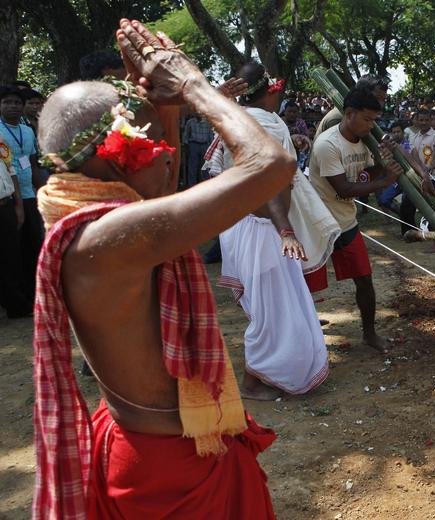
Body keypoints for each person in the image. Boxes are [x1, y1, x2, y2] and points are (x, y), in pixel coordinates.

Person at [33, 19, 296, 518]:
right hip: (167, 467)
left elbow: (164, 187)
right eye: (150, 143)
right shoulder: (106, 237)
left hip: (158, 448)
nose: (167, 155)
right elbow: (272, 165)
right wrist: (193, 84)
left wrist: (165, 108)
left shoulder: (91, 220)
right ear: (118, 154)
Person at [207, 62, 333, 401]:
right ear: (272, 90)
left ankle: (271, 372)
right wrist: (286, 231)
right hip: (265, 227)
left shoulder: (244, 119)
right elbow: (268, 183)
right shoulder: (261, 124)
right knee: (271, 306)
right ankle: (254, 379)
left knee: (275, 303)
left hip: (247, 223)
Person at [306, 87, 404, 354]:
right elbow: (344, 189)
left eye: (374, 120)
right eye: (367, 119)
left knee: (364, 278)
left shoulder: (365, 140)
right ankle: (304, 329)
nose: (371, 126)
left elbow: (365, 172)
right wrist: (385, 181)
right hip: (318, 223)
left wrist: (383, 167)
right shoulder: (327, 144)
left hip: (346, 221)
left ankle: (369, 334)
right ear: (349, 114)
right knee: (306, 282)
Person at [0, 85, 42, 299]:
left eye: (17, 103)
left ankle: (34, 291)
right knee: (12, 249)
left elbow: (33, 163)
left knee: (34, 243)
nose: (13, 106)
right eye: (7, 102)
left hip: (29, 193)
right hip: (9, 197)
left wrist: (41, 189)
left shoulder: (27, 130)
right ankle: (15, 297)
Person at [0, 132, 31, 317]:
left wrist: (18, 205)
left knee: (12, 257)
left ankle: (17, 306)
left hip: (6, 205)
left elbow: (11, 169)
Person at [400, 109, 435, 234]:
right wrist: (419, 170)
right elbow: (412, 156)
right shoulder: (413, 137)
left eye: (426, 120)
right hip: (416, 177)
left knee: (433, 207)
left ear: (430, 121)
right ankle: (409, 233)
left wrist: (430, 168)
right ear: (416, 121)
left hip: (432, 177)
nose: (423, 122)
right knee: (407, 205)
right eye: (421, 120)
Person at [315, 74, 389, 140]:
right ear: (363, 93)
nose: (381, 104)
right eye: (378, 97)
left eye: (383, 99)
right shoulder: (339, 118)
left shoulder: (365, 116)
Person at [182, 113, 213, 187]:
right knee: (192, 166)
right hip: (193, 145)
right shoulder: (190, 122)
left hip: (205, 145)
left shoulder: (208, 122)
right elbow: (186, 135)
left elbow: (210, 136)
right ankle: (191, 186)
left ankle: (204, 185)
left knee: (204, 167)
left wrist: (211, 148)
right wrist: (186, 145)